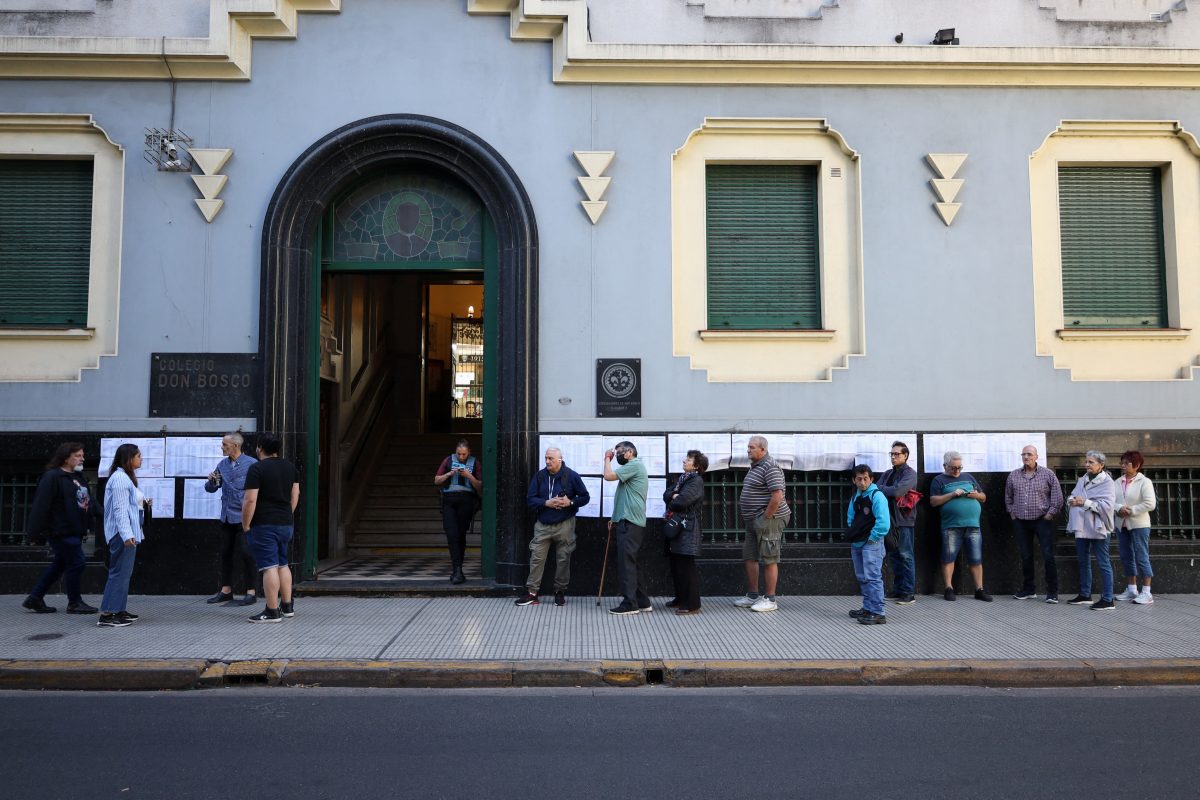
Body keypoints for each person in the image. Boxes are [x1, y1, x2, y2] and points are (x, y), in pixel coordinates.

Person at [23, 442, 99, 615]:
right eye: (78, 455)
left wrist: (105, 513)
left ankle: (35, 598)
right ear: (66, 457)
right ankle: (74, 602)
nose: (82, 458)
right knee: (77, 562)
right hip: (61, 530)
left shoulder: (78, 477)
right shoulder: (52, 477)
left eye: (82, 455)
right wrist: (33, 533)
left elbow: (90, 502)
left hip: (76, 529)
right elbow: (41, 506)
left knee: (60, 564)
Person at [516, 447, 591, 607]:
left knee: (564, 558)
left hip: (565, 524)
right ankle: (532, 593)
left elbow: (585, 497)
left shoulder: (571, 475)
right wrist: (546, 502)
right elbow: (530, 499)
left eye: (550, 458)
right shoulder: (540, 476)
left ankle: (559, 592)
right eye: (546, 458)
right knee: (536, 558)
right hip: (543, 524)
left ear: (560, 459)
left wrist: (570, 502)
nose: (547, 461)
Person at [242, 434, 300, 623]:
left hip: (264, 524)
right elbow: (295, 494)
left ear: (259, 448)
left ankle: (272, 611)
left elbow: (250, 500)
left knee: (269, 567)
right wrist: (286, 514)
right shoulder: (290, 467)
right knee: (283, 564)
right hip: (285, 523)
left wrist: (246, 524)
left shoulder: (256, 469)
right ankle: (287, 606)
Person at [734, 436, 790, 612]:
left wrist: (765, 518)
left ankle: (770, 599)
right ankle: (752, 596)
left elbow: (777, 496)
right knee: (750, 555)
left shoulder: (770, 466)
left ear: (763, 450)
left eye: (752, 447)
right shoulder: (755, 467)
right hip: (753, 520)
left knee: (769, 557)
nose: (748, 450)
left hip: (769, 519)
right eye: (748, 447)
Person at [203, 432, 259, 606]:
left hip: (245, 517)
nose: (222, 446)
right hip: (226, 516)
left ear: (235, 445)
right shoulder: (222, 465)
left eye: (224, 444)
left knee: (246, 553)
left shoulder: (252, 464)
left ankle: (251, 591)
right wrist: (211, 481)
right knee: (225, 553)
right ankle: (226, 590)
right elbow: (212, 488)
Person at [929, 451, 992, 602]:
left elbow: (983, 497)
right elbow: (933, 501)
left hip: (973, 525)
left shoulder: (969, 477)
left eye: (959, 467)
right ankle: (948, 588)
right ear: (945, 466)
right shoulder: (939, 480)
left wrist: (975, 495)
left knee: (976, 558)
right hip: (951, 526)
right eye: (953, 468)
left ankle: (979, 589)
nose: (957, 470)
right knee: (948, 557)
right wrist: (952, 495)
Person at [1004, 444, 1064, 603]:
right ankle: (1029, 589)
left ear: (1037, 456)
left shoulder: (1048, 474)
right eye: (1023, 454)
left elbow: (1057, 498)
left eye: (1029, 454)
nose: (1026, 457)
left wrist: (1049, 515)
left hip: (1042, 520)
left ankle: (1052, 592)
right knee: (1026, 556)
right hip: (1021, 522)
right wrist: (1012, 513)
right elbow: (1008, 496)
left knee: (1048, 556)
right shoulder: (1014, 475)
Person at [97, 443, 148, 628]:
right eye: (138, 456)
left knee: (123, 573)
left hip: (127, 533)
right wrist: (127, 534)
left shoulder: (124, 477)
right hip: (121, 534)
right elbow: (120, 509)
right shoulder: (120, 479)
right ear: (129, 458)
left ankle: (118, 610)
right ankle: (108, 615)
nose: (141, 459)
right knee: (119, 573)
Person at [1065, 450, 1116, 611]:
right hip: (1082, 527)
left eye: (1091, 462)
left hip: (1098, 528)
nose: (1087, 465)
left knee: (1103, 562)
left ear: (1101, 465)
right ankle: (1085, 594)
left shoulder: (1107, 482)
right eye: (1086, 462)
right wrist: (1071, 500)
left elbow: (1107, 506)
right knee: (1083, 560)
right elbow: (1073, 495)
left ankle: (1108, 599)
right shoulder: (1083, 479)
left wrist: (1084, 502)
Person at [604, 440, 650, 615]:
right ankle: (642, 601)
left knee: (627, 564)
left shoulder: (635, 465)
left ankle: (630, 604)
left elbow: (608, 476)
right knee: (632, 563)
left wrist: (606, 459)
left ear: (630, 452)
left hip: (630, 522)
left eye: (619, 452)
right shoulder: (633, 467)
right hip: (628, 521)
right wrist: (614, 518)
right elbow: (624, 496)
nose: (617, 455)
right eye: (614, 453)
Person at [663, 450, 707, 615]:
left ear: (696, 466)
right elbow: (666, 494)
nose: (684, 461)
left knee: (686, 566)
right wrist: (673, 495)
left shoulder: (696, 481)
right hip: (678, 526)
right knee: (677, 565)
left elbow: (682, 501)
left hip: (687, 528)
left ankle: (692, 604)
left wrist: (674, 497)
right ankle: (680, 598)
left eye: (688, 459)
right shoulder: (682, 479)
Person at [846, 465, 891, 625]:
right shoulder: (856, 497)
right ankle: (868, 607)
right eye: (859, 479)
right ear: (854, 480)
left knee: (872, 577)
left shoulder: (877, 496)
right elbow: (850, 517)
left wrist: (873, 538)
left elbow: (883, 522)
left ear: (871, 479)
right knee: (862, 577)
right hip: (858, 541)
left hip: (871, 542)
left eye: (866, 478)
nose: (862, 482)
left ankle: (878, 612)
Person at [433, 439, 482, 584]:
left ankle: (458, 569)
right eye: (459, 454)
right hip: (449, 500)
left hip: (466, 500)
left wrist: (469, 476)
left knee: (460, 535)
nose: (461, 457)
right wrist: (449, 474)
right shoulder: (448, 460)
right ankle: (457, 569)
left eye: (464, 454)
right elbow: (436, 480)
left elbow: (480, 487)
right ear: (455, 451)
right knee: (452, 534)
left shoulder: (475, 463)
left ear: (469, 452)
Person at [1114, 450, 1157, 605]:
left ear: (1137, 465)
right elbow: (1110, 500)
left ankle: (1147, 592)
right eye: (1122, 463)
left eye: (1127, 463)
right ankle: (1132, 589)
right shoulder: (1117, 482)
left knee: (1141, 556)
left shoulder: (1144, 482)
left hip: (1139, 525)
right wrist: (1118, 508)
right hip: (1121, 524)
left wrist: (1131, 510)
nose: (1123, 466)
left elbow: (1150, 503)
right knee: (1126, 556)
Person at [877, 441, 917, 605]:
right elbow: (876, 487)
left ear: (905, 456)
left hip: (904, 520)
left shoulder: (910, 473)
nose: (893, 457)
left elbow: (898, 491)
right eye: (892, 454)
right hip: (889, 519)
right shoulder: (888, 473)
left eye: (897, 454)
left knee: (906, 555)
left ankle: (909, 592)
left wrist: (885, 489)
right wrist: (888, 489)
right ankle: (898, 589)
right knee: (894, 555)